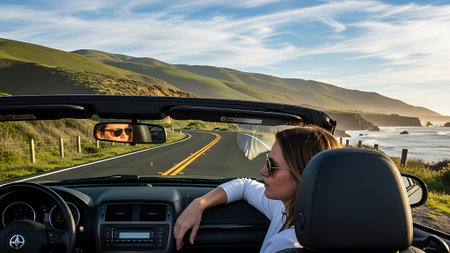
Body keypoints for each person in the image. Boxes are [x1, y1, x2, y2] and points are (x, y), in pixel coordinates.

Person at [173, 125, 341, 252]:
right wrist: (199, 204)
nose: (262, 171)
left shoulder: (284, 245)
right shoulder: (289, 209)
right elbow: (244, 185)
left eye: (272, 166)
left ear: (304, 176)